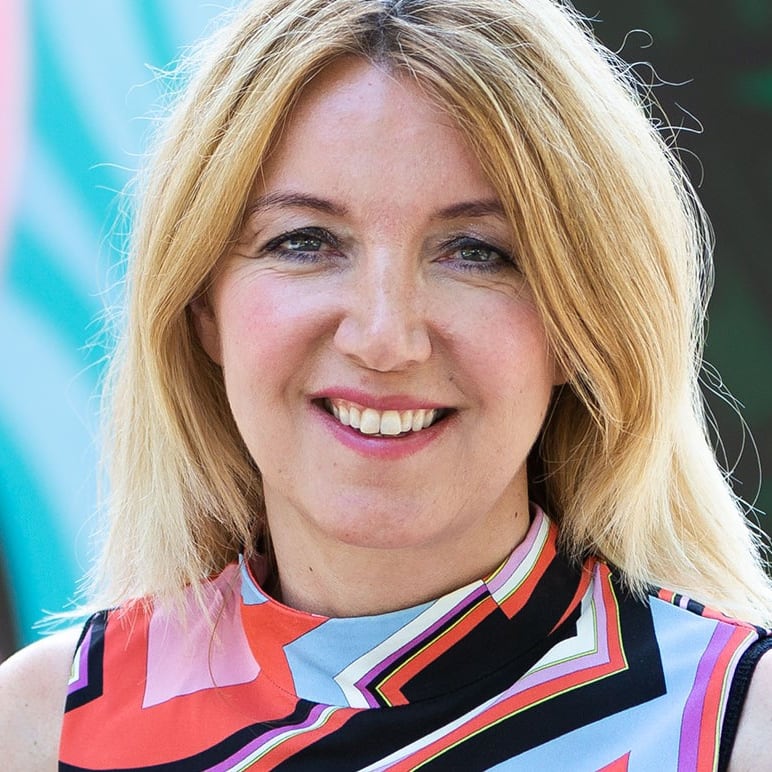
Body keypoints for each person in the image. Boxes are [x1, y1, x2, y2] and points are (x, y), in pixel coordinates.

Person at [2, 0, 771, 768]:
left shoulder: (737, 725)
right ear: (202, 305)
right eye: (305, 241)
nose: (383, 338)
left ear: (582, 321)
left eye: (475, 251)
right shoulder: (42, 729)